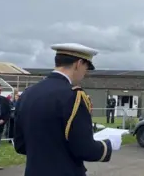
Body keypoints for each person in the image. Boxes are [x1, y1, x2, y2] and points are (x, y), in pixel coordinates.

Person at [14, 43, 118, 176]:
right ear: (78, 64)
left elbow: (20, 145)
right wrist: (108, 144)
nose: (85, 73)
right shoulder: (74, 96)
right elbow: (85, 149)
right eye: (86, 68)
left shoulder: (28, 93)